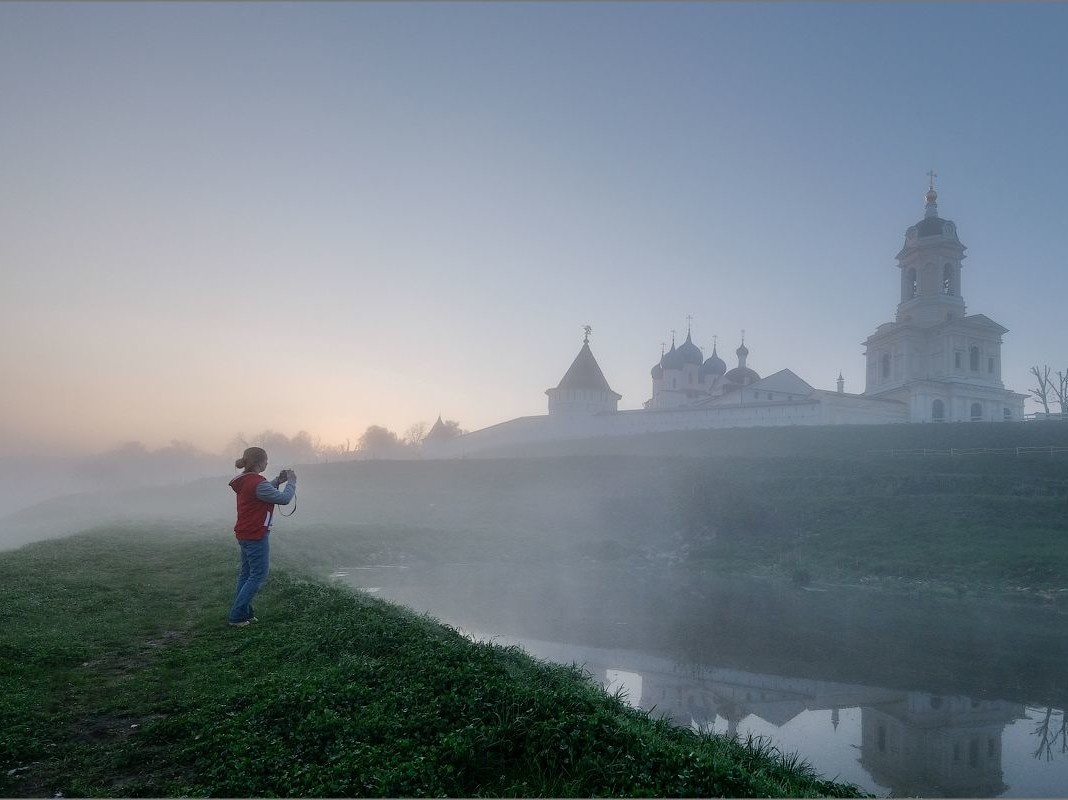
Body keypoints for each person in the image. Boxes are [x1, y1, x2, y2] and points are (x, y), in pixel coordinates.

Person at [227, 446, 296, 627]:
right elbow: (284, 499)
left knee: (247, 574)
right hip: (256, 533)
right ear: (259, 462)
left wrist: (278, 481)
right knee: (259, 575)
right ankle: (237, 616)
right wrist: (291, 482)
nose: (267, 463)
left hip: (244, 532)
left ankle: (245, 612)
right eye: (266, 460)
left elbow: (261, 491)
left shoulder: (246, 481)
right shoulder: (257, 483)